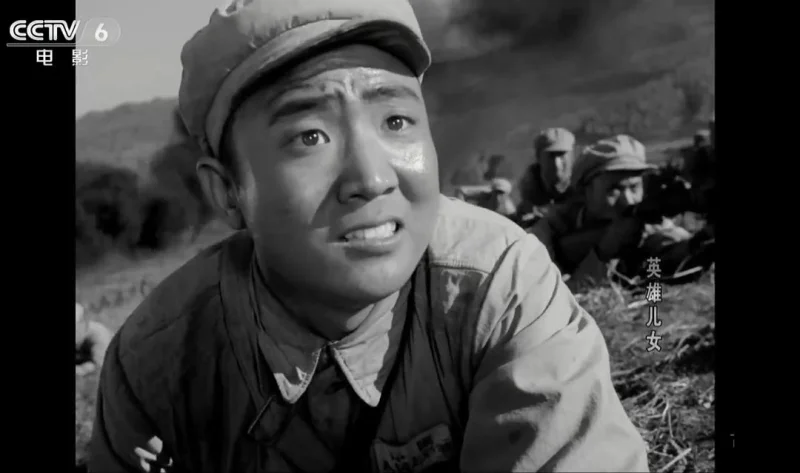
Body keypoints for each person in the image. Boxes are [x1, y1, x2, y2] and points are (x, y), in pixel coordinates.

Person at [88, 1, 649, 471]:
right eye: (309, 136)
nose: (373, 177)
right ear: (229, 191)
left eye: (396, 122)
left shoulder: (500, 288)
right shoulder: (156, 364)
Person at [530, 134, 694, 290]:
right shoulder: (548, 232)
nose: (628, 200)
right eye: (614, 189)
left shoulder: (651, 225)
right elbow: (549, 297)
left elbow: (679, 255)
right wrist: (602, 254)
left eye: (634, 187)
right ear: (585, 192)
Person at [515, 127, 577, 225]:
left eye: (561, 155)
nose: (557, 164)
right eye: (551, 156)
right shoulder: (529, 197)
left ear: (572, 156)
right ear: (538, 157)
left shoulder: (584, 190)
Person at [75, 302, 112, 376]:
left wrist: (82, 369)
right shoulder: (79, 338)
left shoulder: (99, 335)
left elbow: (99, 367)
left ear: (84, 324)